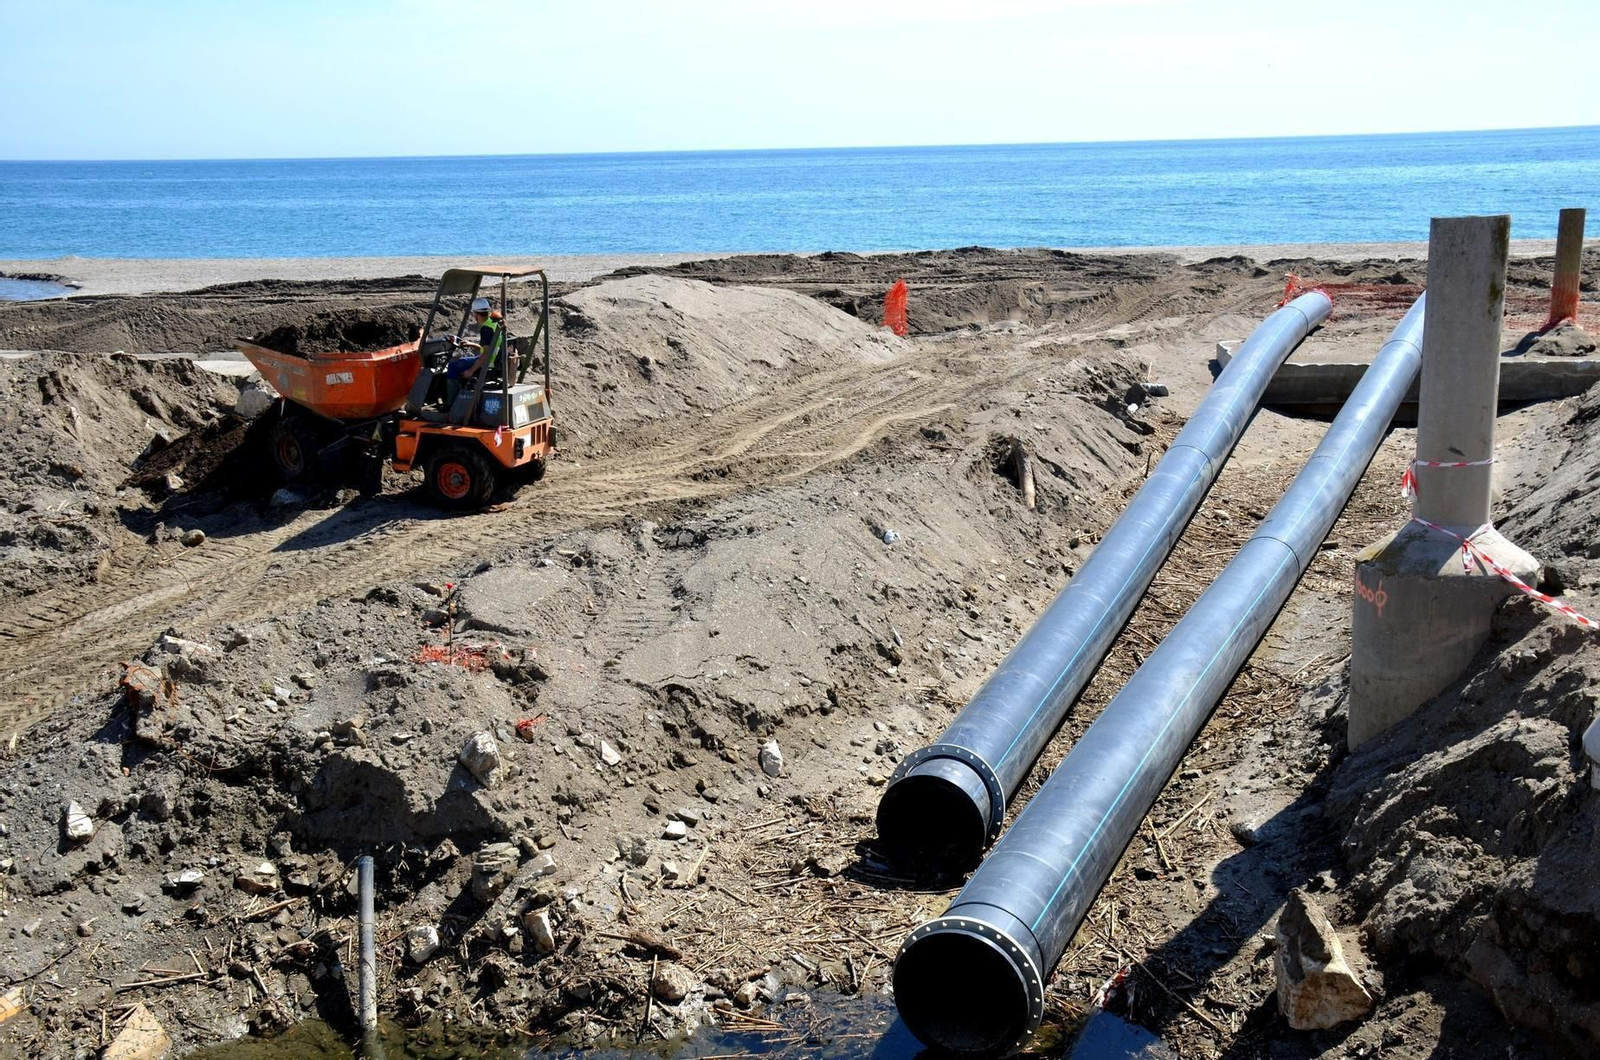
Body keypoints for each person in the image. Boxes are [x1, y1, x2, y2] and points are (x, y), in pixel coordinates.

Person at [444, 296, 506, 405]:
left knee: (453, 367)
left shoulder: (486, 329)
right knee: (463, 360)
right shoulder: (494, 323)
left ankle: (451, 404)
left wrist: (471, 371)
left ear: (476, 314)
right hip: (494, 360)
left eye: (474, 314)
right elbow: (491, 347)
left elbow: (486, 354)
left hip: (488, 363)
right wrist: (472, 344)